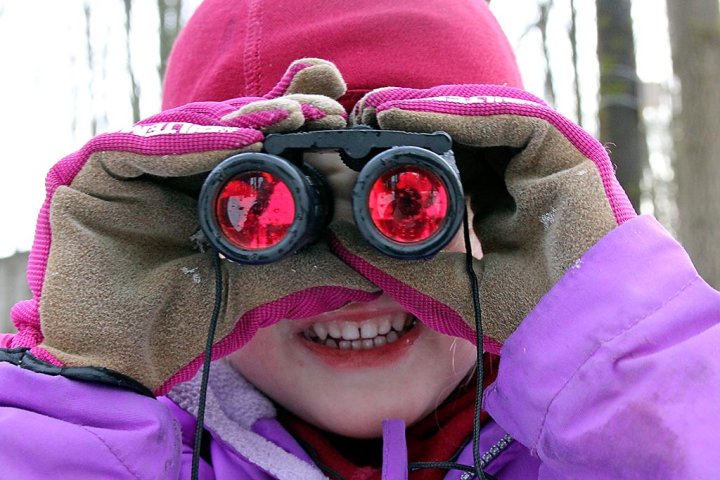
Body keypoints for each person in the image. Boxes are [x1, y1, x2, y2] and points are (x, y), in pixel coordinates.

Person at [1, 0, 719, 478]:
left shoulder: (609, 436)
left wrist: (619, 360)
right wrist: (84, 386)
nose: (355, 279)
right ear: (184, 236)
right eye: (263, 210)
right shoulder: (131, 455)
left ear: (508, 212)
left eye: (408, 203)